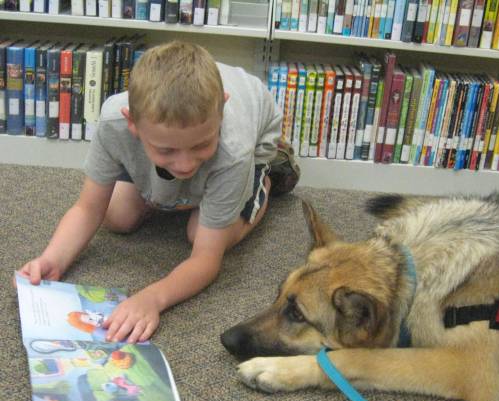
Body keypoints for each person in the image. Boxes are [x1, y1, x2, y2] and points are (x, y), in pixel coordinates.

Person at [18, 41, 299, 344]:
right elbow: (88, 209)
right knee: (117, 217)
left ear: (221, 112)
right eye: (166, 149)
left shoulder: (234, 149)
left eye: (200, 145)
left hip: (257, 141)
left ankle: (266, 180)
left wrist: (152, 298)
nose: (185, 163)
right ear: (132, 123)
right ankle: (182, 184)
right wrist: (53, 258)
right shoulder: (113, 123)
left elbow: (206, 259)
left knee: (199, 234)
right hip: (189, 141)